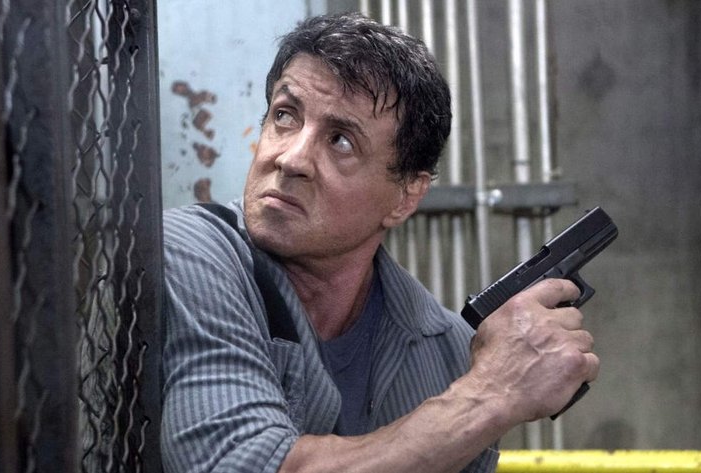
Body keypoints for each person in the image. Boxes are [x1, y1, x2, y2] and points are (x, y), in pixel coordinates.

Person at [160, 11, 598, 473]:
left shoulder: (446, 349)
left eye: (341, 141)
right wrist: (492, 393)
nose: (291, 159)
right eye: (285, 116)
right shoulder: (191, 254)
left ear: (405, 196)